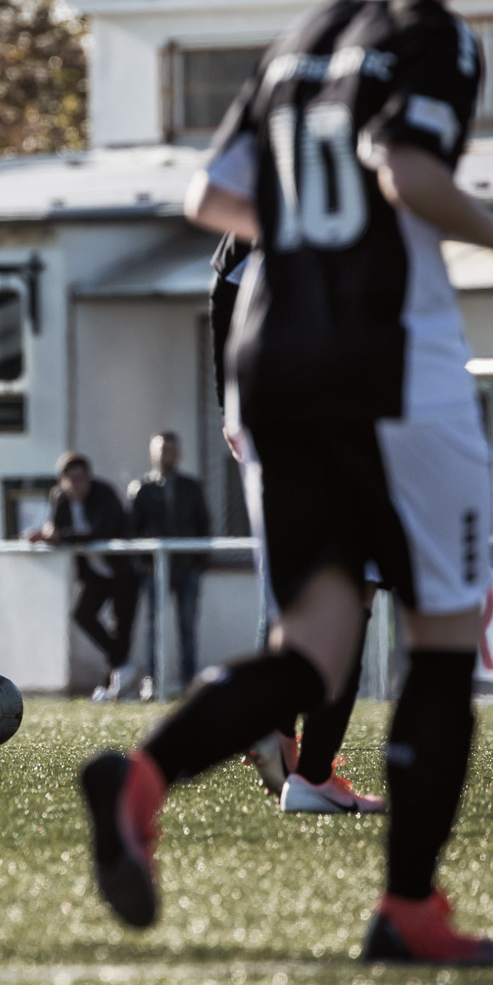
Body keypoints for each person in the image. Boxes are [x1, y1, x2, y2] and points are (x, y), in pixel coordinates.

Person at [78, 0, 493, 963]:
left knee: (317, 644)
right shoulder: (434, 34)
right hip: (388, 364)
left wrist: (306, 238)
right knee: (443, 631)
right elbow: (407, 170)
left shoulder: (299, 40)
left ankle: (143, 775)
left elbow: (209, 196)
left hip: (272, 358)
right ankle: (408, 908)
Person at [213, 234, 385, 816]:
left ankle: (274, 726)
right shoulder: (359, 192)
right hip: (346, 411)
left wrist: (230, 405)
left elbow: (224, 283)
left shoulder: (267, 193)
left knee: (300, 590)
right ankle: (310, 772)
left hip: (274, 410)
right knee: (358, 591)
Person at [31, 453, 138, 699]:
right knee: (82, 614)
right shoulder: (59, 497)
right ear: (62, 481)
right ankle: (123, 669)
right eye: (71, 478)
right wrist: (47, 534)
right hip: (94, 573)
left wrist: (60, 536)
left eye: (82, 478)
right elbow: (55, 529)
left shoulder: (104, 494)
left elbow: (100, 532)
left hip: (123, 571)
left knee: (122, 626)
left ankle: (115, 684)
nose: (77, 484)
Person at [126, 432, 210, 691]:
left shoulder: (191, 487)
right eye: (162, 450)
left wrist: (199, 562)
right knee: (154, 625)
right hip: (155, 569)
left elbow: (204, 525)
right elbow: (133, 529)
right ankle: (153, 680)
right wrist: (143, 563)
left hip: (187, 567)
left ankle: (188, 681)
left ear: (179, 453)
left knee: (188, 625)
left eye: (171, 450)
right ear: (152, 453)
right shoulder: (141, 488)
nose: (167, 456)